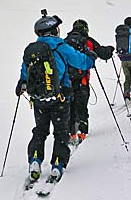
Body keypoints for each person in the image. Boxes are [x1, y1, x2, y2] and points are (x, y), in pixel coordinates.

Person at [15, 13, 97, 184]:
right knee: (61, 133)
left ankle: (35, 160)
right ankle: (57, 164)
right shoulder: (61, 47)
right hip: (60, 98)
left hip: (38, 99)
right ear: (53, 30)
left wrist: (21, 84)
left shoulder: (32, 50)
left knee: (40, 130)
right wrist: (91, 57)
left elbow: (25, 73)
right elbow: (83, 63)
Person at [64, 19, 115, 144]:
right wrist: (110, 49)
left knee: (70, 106)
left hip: (66, 82)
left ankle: (71, 132)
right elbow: (102, 53)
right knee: (82, 106)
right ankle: (82, 131)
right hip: (82, 80)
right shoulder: (87, 41)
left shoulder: (64, 42)